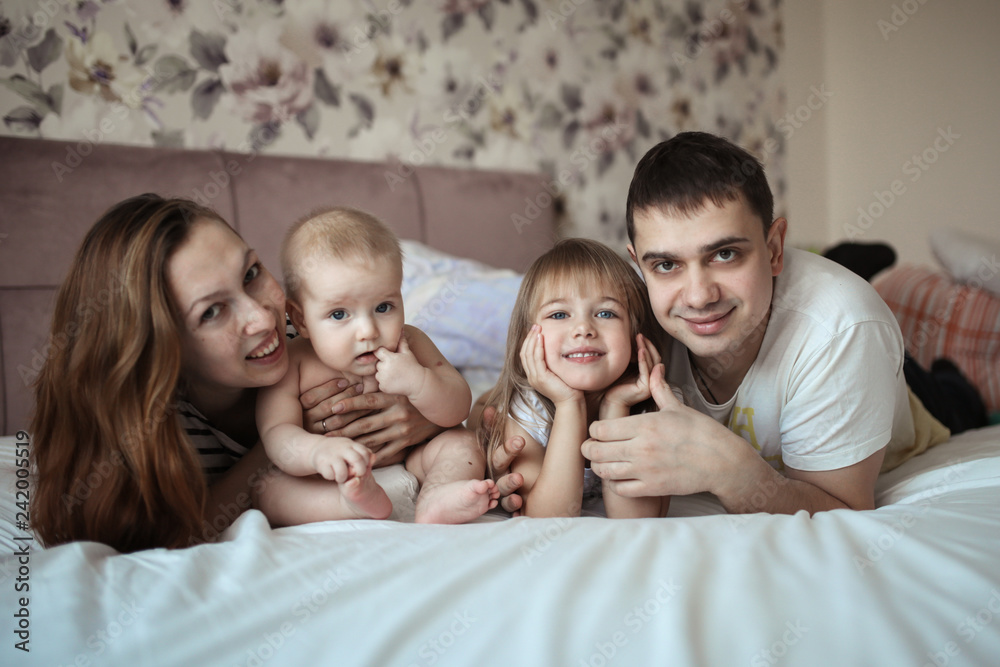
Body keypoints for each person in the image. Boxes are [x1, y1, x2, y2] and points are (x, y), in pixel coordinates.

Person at [489, 131, 919, 515]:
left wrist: (732, 472)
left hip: (907, 401)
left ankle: (852, 264)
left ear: (773, 249)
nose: (698, 297)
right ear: (638, 265)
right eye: (666, 264)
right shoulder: (627, 312)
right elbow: (542, 385)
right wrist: (481, 420)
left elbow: (842, 512)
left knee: (947, 388)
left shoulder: (843, 329)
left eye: (725, 254)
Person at [29, 194, 443, 553]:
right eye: (211, 311)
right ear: (161, 344)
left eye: (251, 274)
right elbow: (174, 536)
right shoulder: (156, 426)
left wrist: (423, 411)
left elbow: (442, 398)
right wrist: (284, 443)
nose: (263, 318)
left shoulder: (316, 338)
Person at [256, 207, 499, 525]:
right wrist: (316, 452)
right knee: (267, 490)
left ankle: (437, 495)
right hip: (330, 480)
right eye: (340, 314)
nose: (368, 331)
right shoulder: (294, 362)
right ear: (300, 318)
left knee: (463, 442)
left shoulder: (410, 342)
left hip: (413, 461)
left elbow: (458, 409)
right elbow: (277, 433)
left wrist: (420, 382)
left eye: (383, 307)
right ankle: (352, 505)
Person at [479, 238, 669, 518]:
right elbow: (547, 518)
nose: (583, 328)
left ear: (635, 339)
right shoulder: (527, 411)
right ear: (526, 341)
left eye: (606, 313)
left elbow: (636, 521)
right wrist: (569, 404)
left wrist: (616, 407)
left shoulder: (655, 407)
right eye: (559, 314)